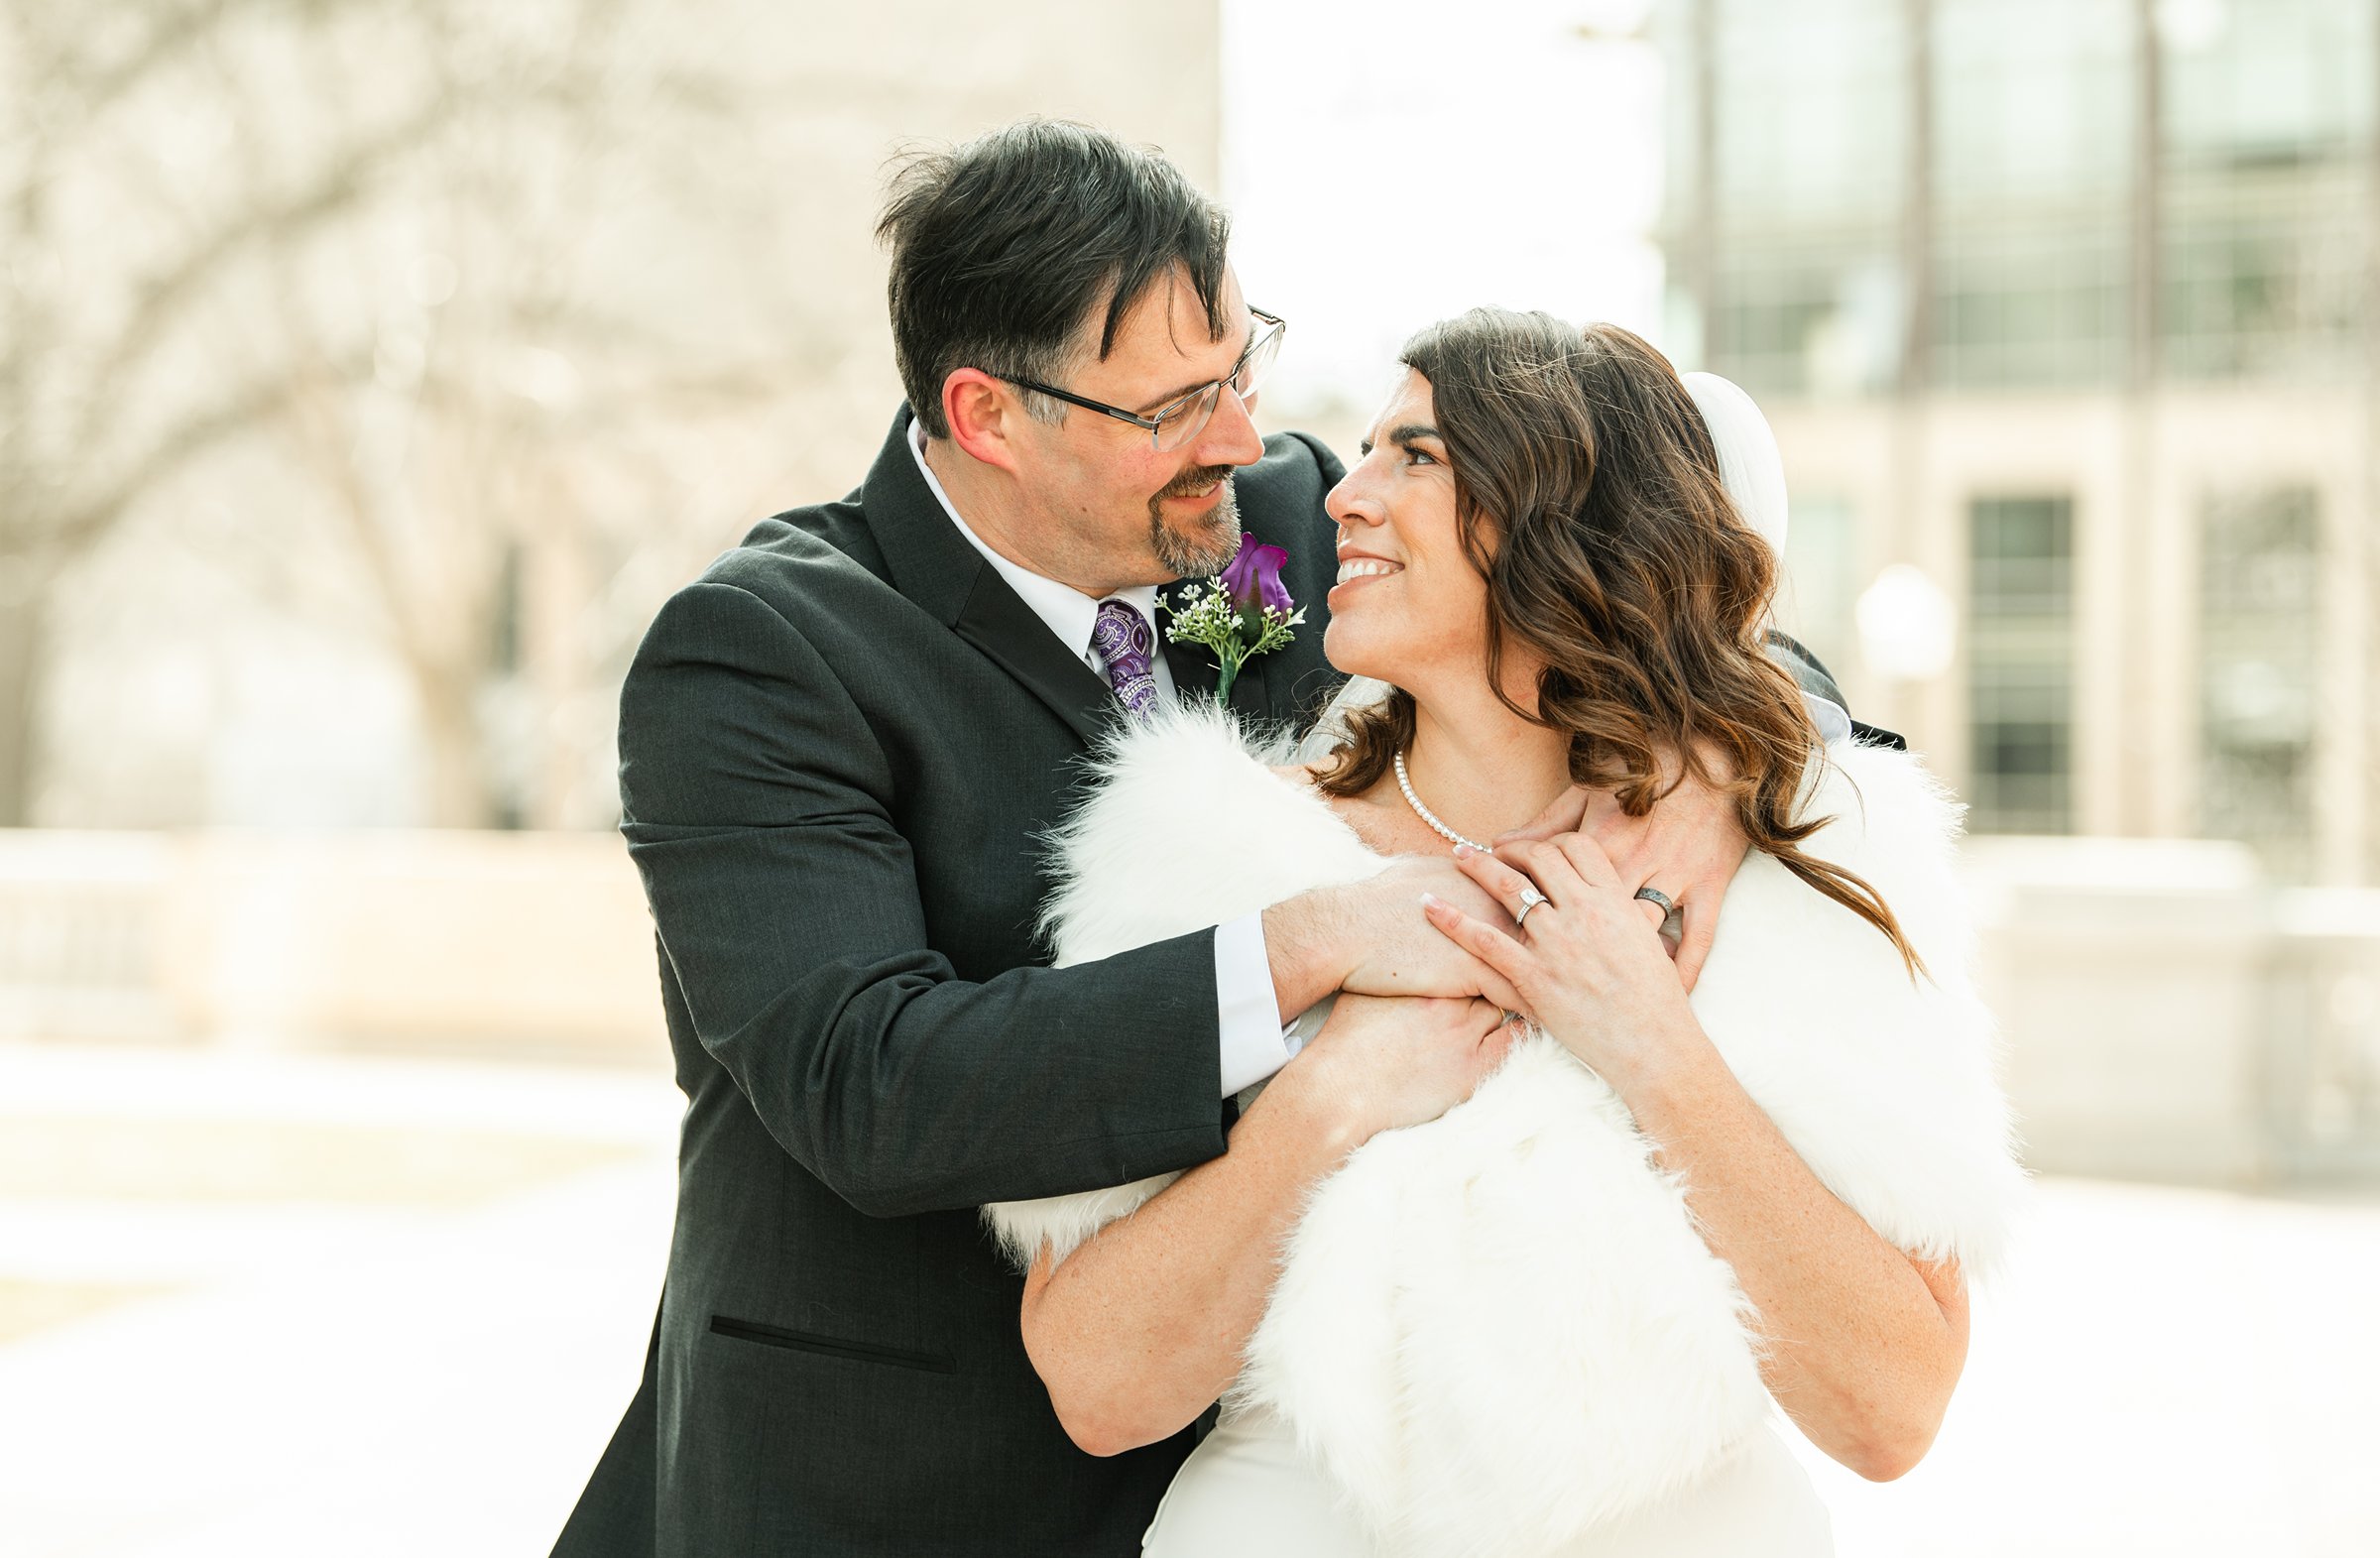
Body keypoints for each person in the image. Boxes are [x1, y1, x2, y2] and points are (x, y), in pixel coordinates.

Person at [552, 126, 1761, 1558]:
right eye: (1179, 403)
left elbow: (1635, 591)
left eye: (1244, 365)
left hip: (1235, 1483)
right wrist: (1323, 935)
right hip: (876, 1488)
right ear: (989, 412)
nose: (1246, 441)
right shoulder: (762, 653)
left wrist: (1706, 771)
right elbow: (869, 1082)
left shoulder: (1273, 535)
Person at [988, 312, 2025, 1556]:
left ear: (1570, 520)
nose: (1345, 499)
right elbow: (1100, 1389)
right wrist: (1332, 1090)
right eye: (1364, 451)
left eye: (1415, 454)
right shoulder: (1205, 855)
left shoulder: (1800, 865)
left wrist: (1650, 1046)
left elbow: (1892, 1411)